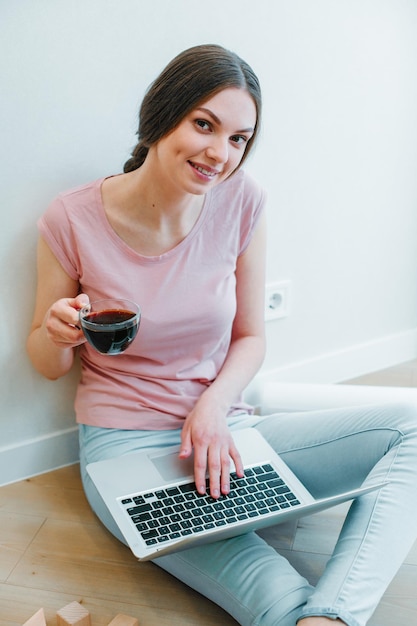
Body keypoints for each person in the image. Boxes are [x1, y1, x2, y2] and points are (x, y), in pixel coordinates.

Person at [27, 43, 417, 626]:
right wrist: (59, 332)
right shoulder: (72, 216)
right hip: (127, 448)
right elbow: (47, 362)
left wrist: (212, 406)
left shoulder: (243, 200)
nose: (220, 154)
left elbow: (251, 336)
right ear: (162, 115)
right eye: (204, 125)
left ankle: (335, 612)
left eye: (238, 139)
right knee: (278, 599)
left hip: (228, 430)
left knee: (409, 430)